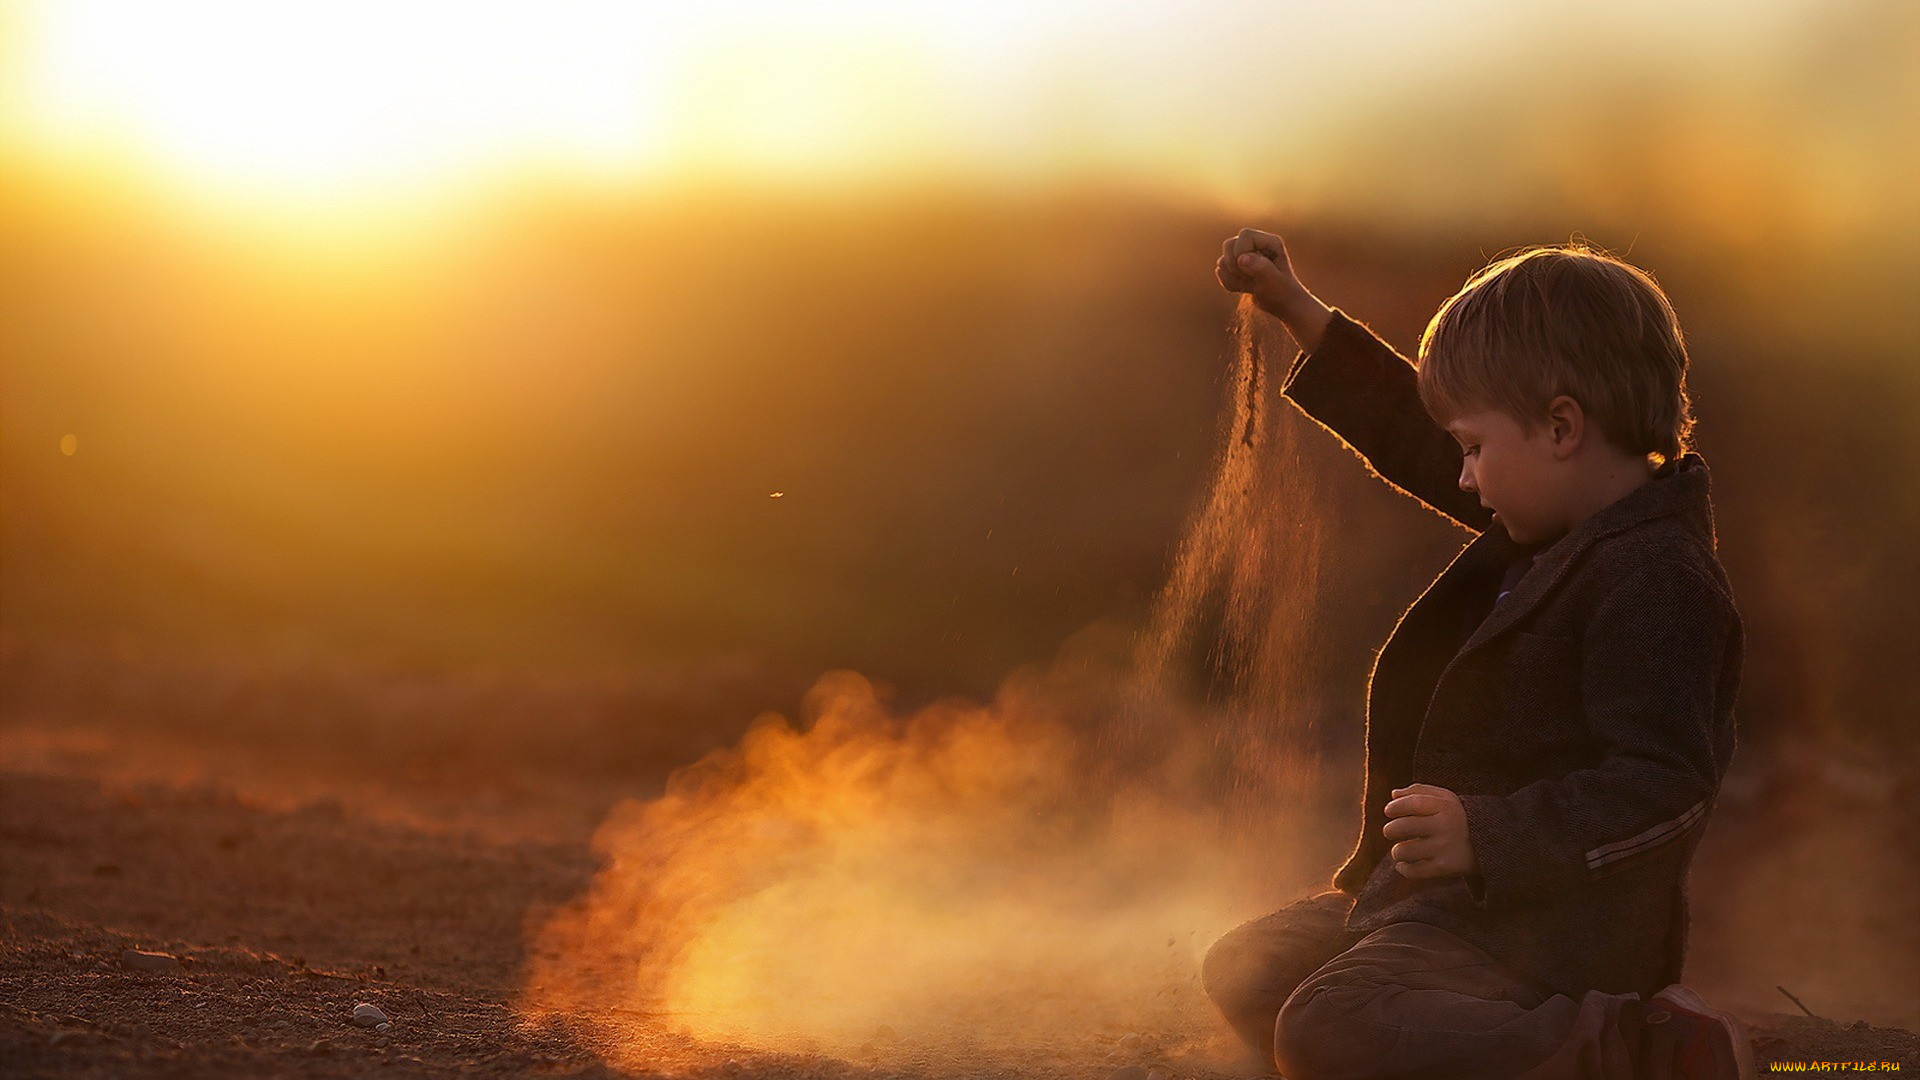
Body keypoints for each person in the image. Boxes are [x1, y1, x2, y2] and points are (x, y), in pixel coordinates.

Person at [1202, 229, 1751, 1080]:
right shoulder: (1563, 517)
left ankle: (1632, 1048)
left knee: (1321, 1029)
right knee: (1247, 968)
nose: (1461, 477)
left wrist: (1486, 835)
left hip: (1553, 935)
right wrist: (1297, 310)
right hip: (1458, 907)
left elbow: (1664, 786)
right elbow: (1416, 429)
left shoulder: (1658, 578)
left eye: (1472, 449)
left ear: (1562, 426)